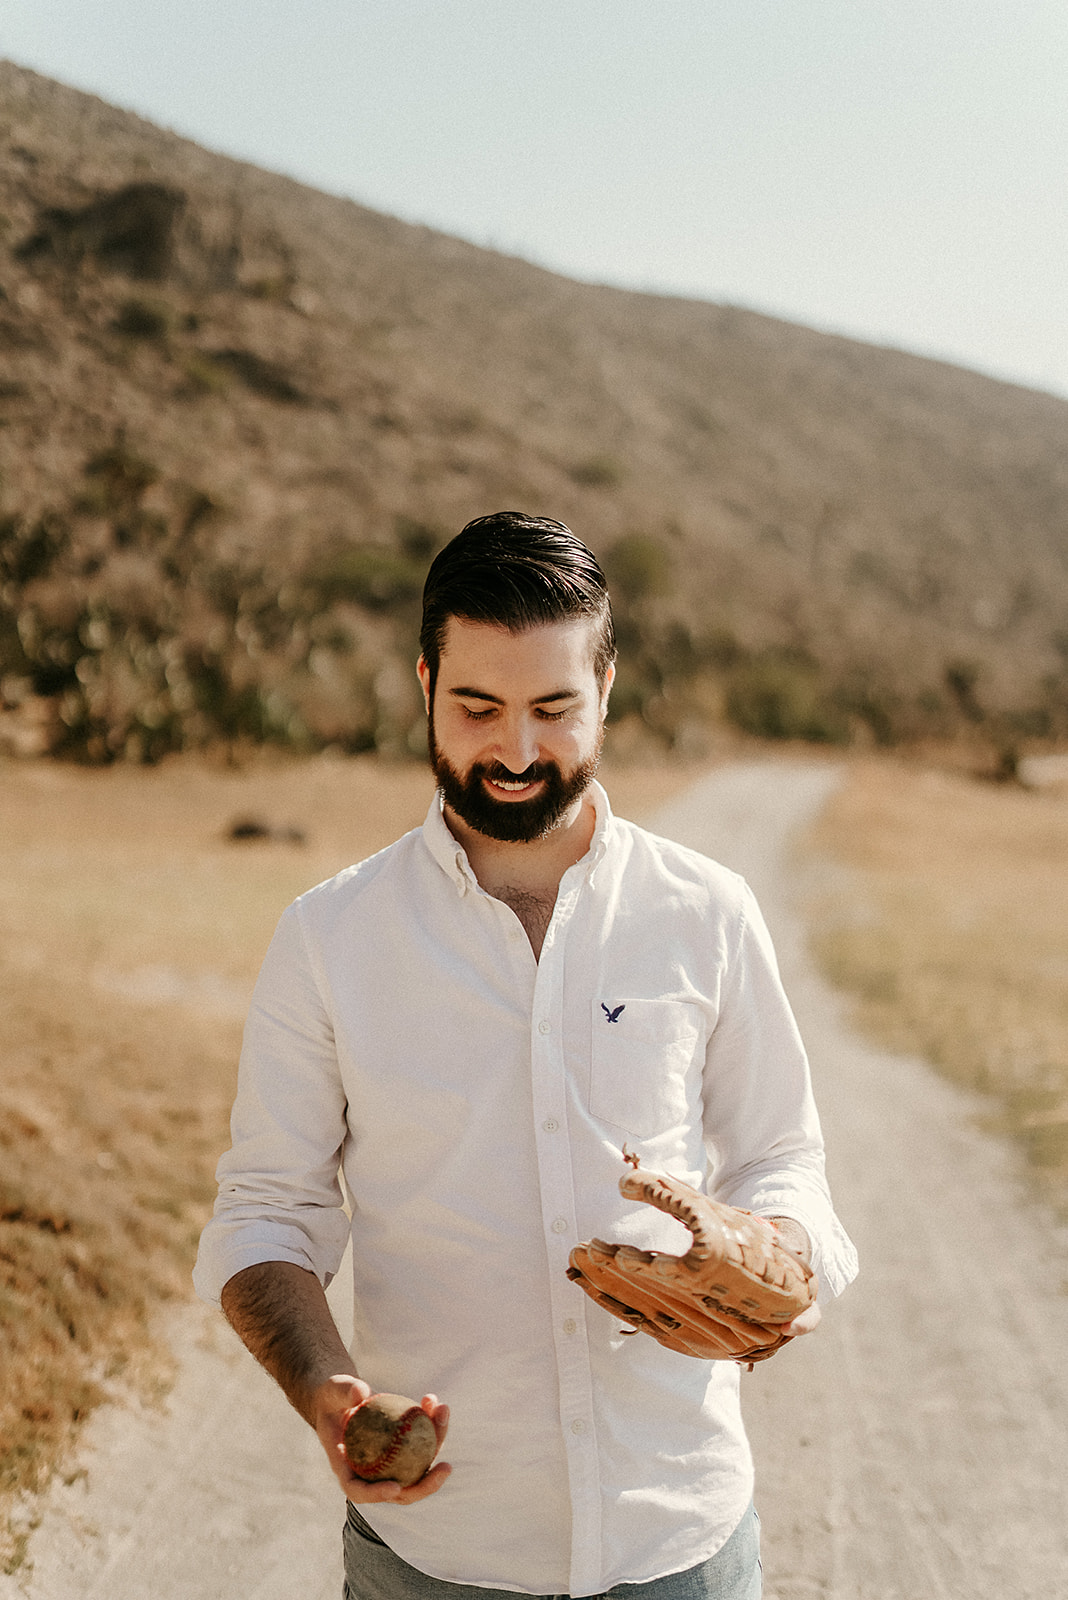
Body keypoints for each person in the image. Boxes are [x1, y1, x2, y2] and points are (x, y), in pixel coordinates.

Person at [194, 511, 858, 1600]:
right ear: (424, 683)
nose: (513, 750)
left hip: (680, 1540)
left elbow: (783, 1152)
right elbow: (267, 1208)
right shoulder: (328, 936)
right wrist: (326, 1390)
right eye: (477, 706)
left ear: (607, 687)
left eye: (553, 708)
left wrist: (775, 1253)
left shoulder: (709, 912)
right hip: (437, 1557)